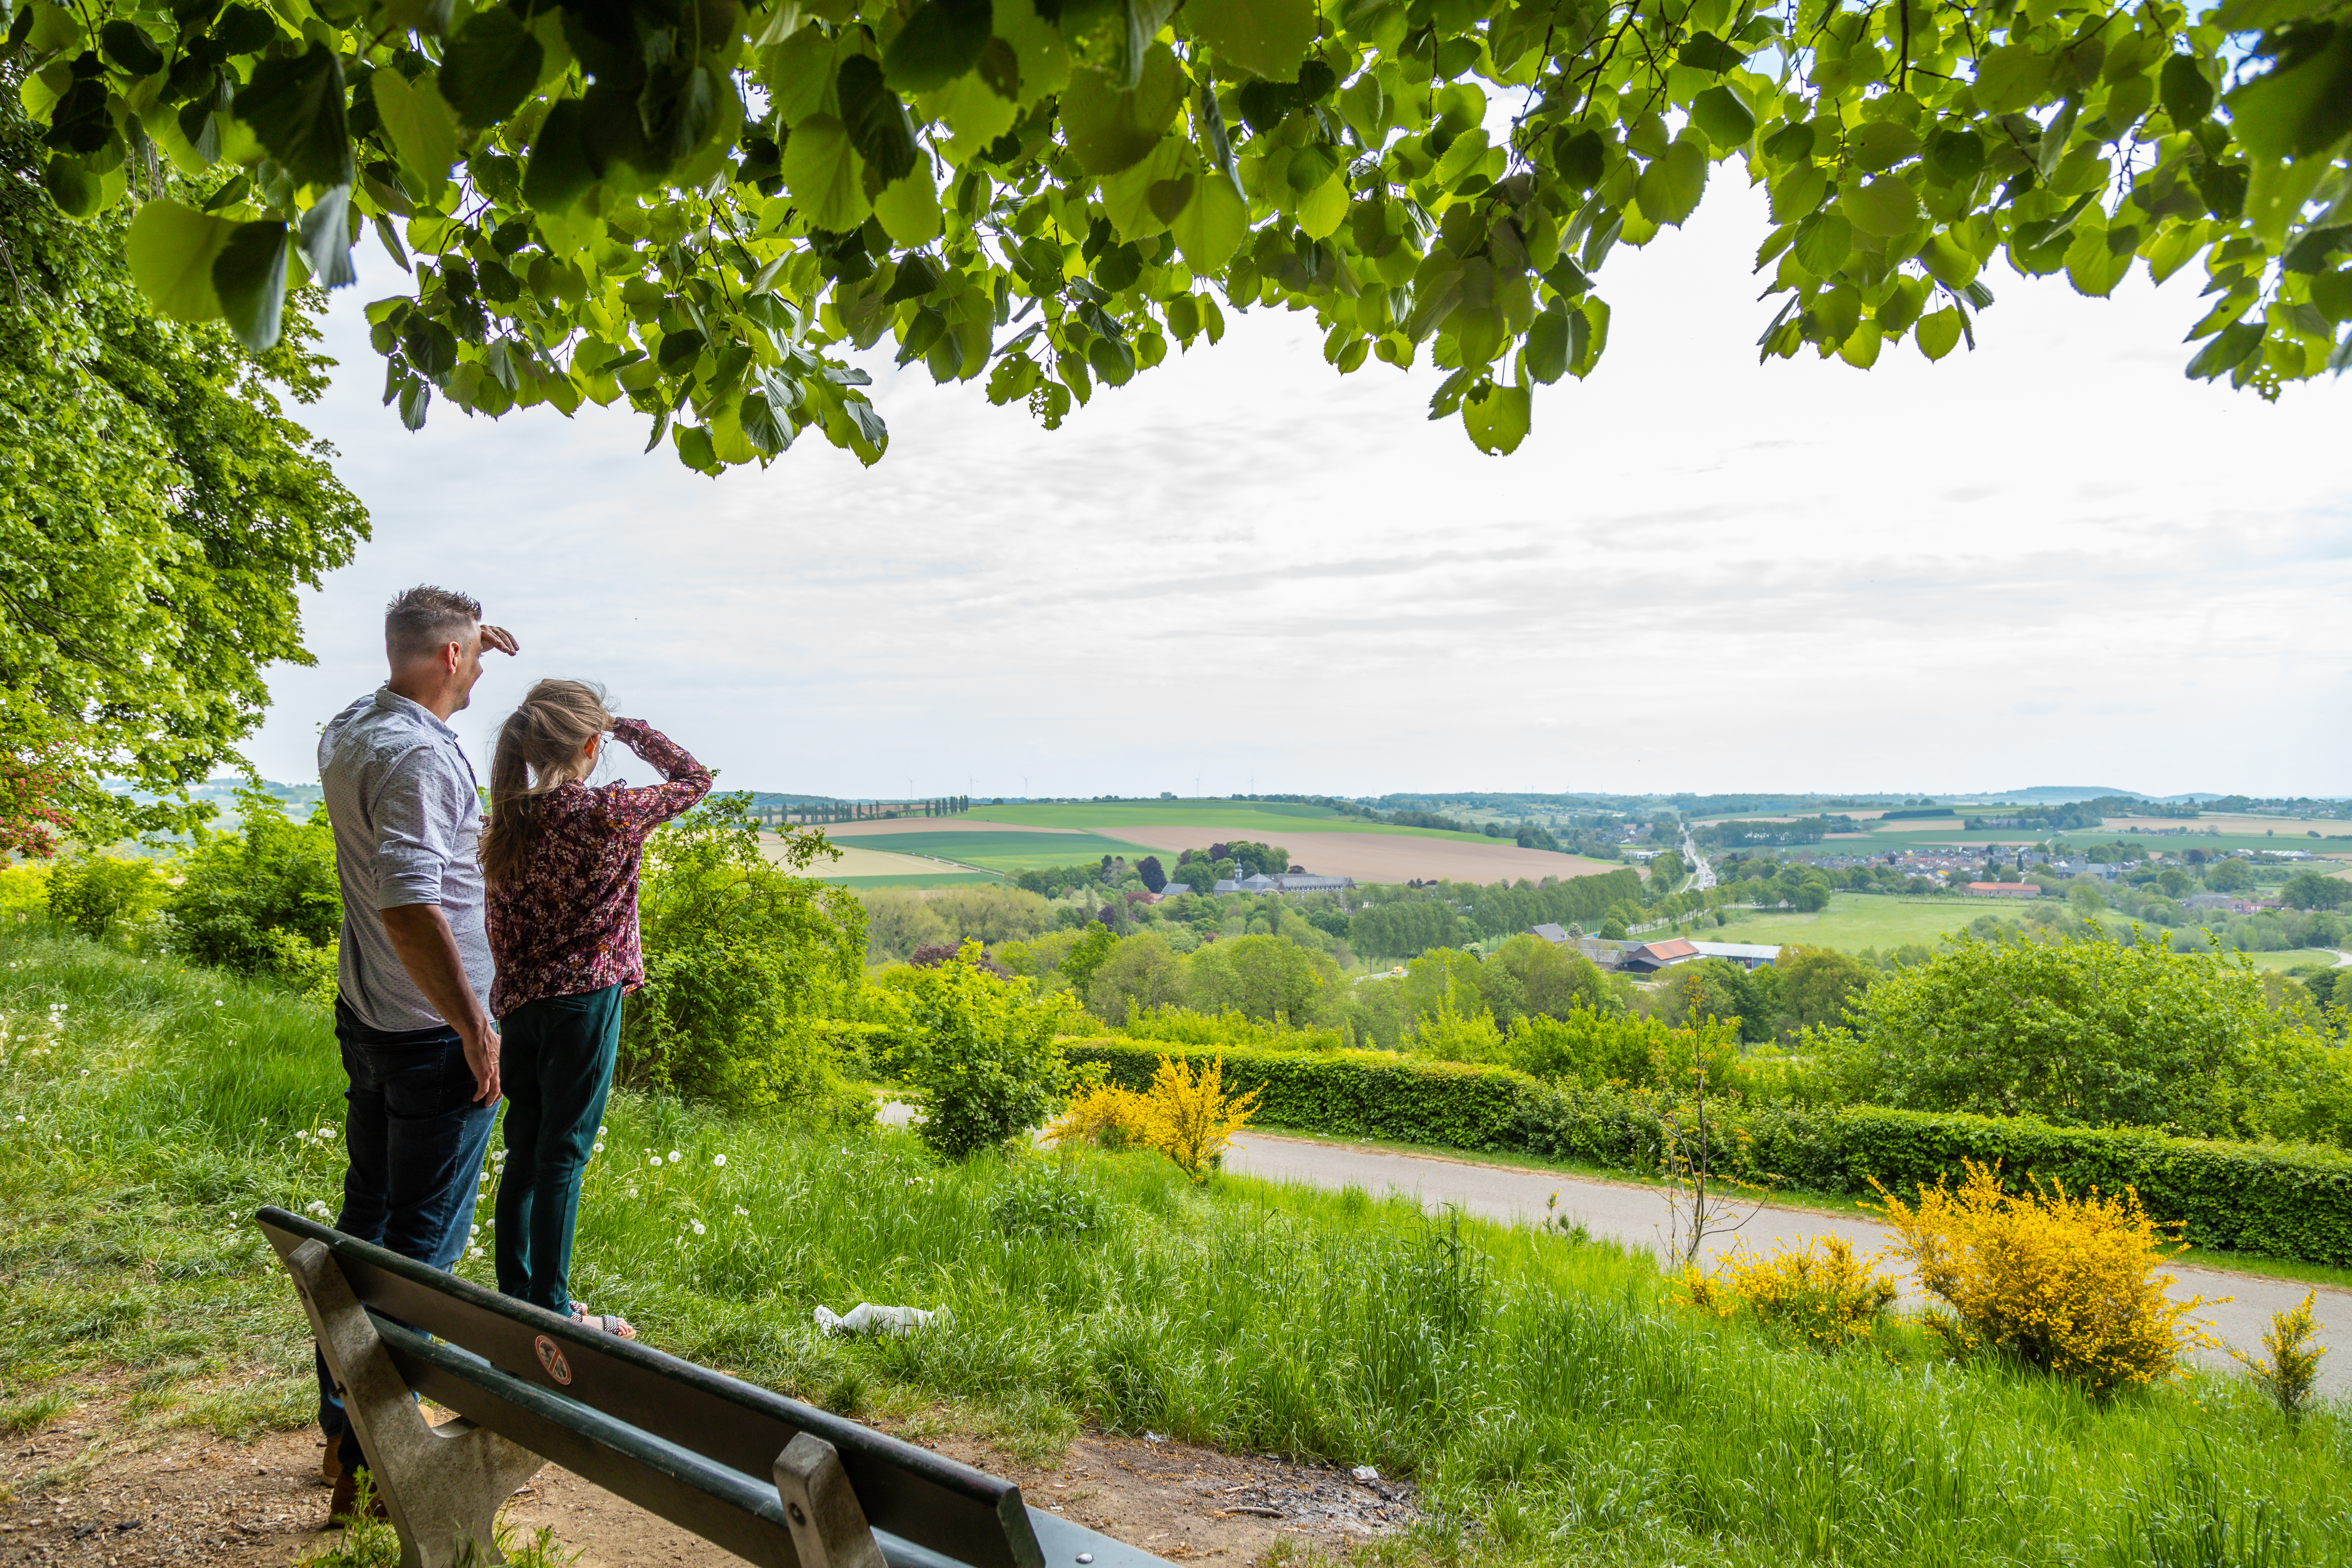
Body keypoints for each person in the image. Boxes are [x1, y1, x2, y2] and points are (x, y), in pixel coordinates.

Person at [313, 586, 517, 1521]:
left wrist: (471, 646)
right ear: (449, 658)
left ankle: (342, 1431)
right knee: (417, 1254)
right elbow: (407, 903)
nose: (476, 670)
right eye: (470, 655)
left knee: (365, 1231)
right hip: (433, 1036)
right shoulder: (422, 758)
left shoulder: (354, 729)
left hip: (370, 1018)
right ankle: (375, 1468)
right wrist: (475, 1025)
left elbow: (418, 681)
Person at [479, 680, 712, 1333]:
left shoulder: (507, 821)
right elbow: (695, 780)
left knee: (524, 1151)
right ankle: (551, 1310)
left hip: (520, 1005)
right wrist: (628, 727)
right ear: (590, 744)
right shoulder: (609, 812)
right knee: (564, 1155)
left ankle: (518, 1294)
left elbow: (498, 928)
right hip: (585, 1002)